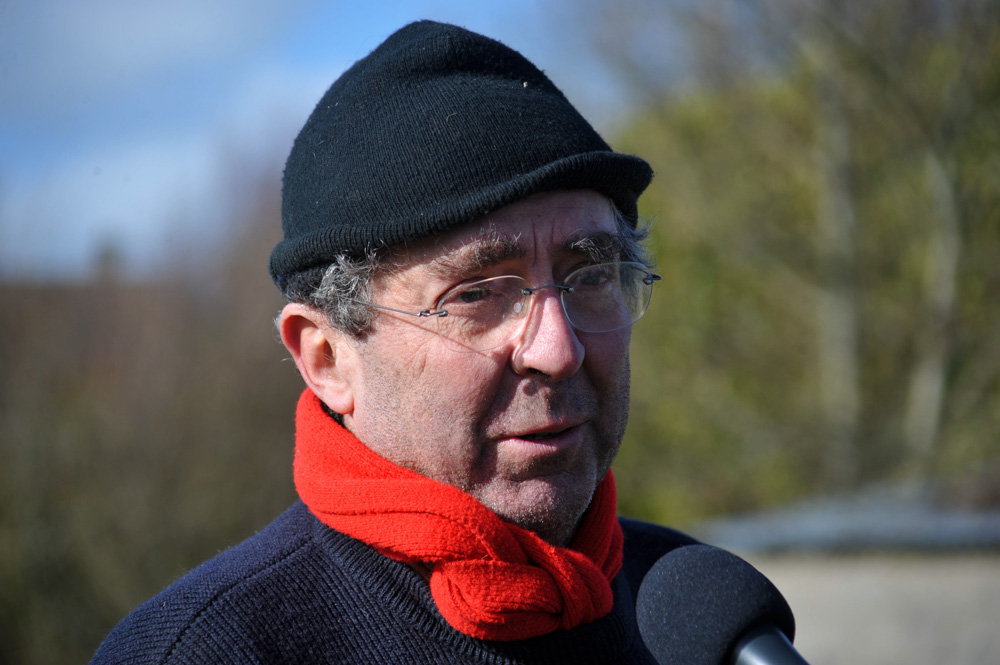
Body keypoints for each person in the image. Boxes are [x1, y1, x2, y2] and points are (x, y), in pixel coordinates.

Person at [90, 20, 698, 664]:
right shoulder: (204, 652)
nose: (558, 349)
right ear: (327, 360)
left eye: (591, 275)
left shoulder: (703, 618)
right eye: (475, 293)